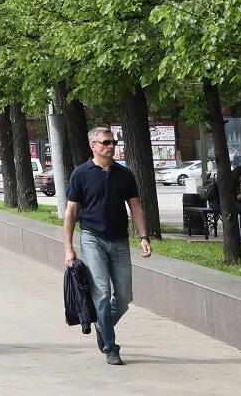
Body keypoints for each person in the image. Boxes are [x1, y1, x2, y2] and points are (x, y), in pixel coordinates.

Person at [64, 127, 152, 366]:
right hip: (92, 239)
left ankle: (102, 325)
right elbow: (71, 212)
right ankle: (111, 348)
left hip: (120, 240)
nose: (111, 146)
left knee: (124, 298)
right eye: (105, 142)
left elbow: (136, 207)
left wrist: (144, 236)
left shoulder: (124, 174)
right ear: (93, 145)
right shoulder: (81, 174)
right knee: (101, 294)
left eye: (113, 142)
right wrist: (69, 248)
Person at [207, 165, 241, 241]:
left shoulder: (236, 181)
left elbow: (236, 196)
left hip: (228, 201)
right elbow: (233, 198)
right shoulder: (229, 182)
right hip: (218, 203)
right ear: (238, 175)